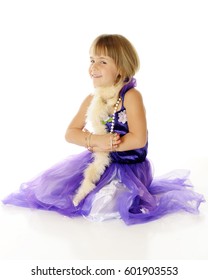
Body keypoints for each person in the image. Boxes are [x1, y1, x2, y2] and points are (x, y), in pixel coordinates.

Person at [2, 34, 205, 225]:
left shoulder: (130, 96)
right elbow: (71, 132)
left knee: (100, 207)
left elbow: (139, 139)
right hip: (100, 161)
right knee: (53, 189)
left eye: (103, 61)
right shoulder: (93, 99)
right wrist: (93, 141)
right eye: (91, 60)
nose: (94, 67)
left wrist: (109, 144)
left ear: (121, 68)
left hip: (128, 167)